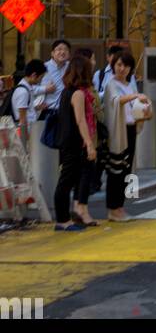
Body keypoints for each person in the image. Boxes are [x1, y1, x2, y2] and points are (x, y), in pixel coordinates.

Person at [103, 50, 150, 221]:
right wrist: (135, 96)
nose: (122, 69)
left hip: (130, 128)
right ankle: (113, 208)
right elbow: (116, 101)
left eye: (125, 65)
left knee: (126, 169)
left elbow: (132, 104)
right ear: (113, 66)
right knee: (116, 169)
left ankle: (119, 207)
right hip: (118, 131)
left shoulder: (129, 84)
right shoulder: (111, 84)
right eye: (119, 65)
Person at [53, 55, 98, 230]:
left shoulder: (66, 91)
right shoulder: (78, 93)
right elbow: (81, 120)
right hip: (73, 142)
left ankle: (64, 219)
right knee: (66, 181)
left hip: (66, 141)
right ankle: (63, 220)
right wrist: (89, 143)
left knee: (67, 180)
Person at [10, 59, 47, 141]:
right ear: (34, 75)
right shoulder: (23, 92)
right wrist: (25, 139)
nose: (40, 81)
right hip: (25, 134)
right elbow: (22, 118)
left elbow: (26, 110)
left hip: (29, 130)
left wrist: (37, 108)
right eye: (41, 77)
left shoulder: (27, 88)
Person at [42, 39, 71, 114]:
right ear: (52, 53)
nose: (63, 52)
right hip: (49, 110)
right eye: (59, 49)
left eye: (66, 49)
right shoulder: (44, 68)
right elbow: (31, 88)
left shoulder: (71, 67)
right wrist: (44, 89)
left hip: (67, 111)